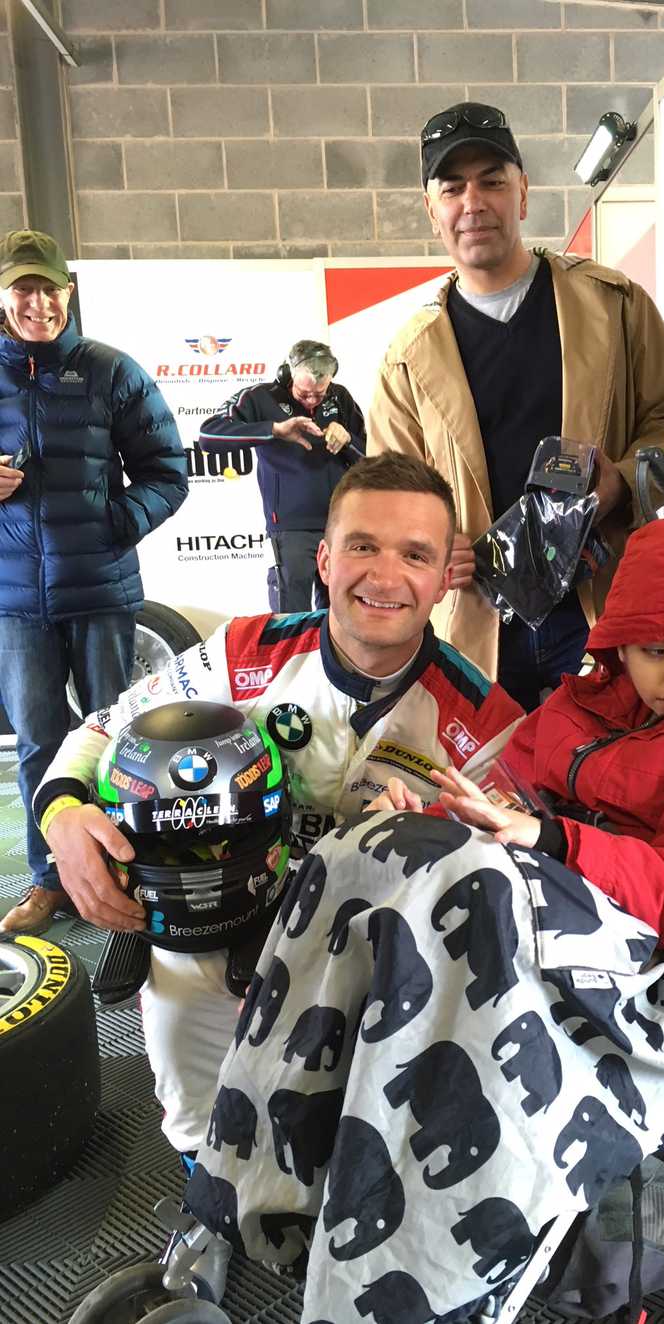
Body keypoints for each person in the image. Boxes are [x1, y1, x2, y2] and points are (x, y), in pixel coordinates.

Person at [184, 512, 664, 1324]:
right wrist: (435, 810)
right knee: (364, 845)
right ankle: (254, 1186)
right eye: (656, 650)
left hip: (651, 932)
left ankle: (402, 1285)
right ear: (618, 641)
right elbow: (495, 789)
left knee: (462, 880)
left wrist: (541, 834)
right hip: (546, 876)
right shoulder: (584, 700)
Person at [34, 453, 522, 1301]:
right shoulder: (242, 652)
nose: (383, 574)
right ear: (323, 558)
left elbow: (518, 876)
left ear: (447, 575)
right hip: (224, 929)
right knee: (180, 994)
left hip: (378, 962)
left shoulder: (484, 720)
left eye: (414, 554)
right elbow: (102, 728)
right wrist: (64, 818)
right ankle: (210, 1202)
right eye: (361, 546)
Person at [368, 100, 664, 710]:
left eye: (492, 181)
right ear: (432, 209)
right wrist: (427, 545)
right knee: (488, 794)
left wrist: (622, 482)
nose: (473, 203)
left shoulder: (614, 306)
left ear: (524, 193)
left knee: (604, 784)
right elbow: (386, 494)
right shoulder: (408, 357)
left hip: (600, 607)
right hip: (475, 629)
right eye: (452, 187)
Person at [0, 228, 187, 938]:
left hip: (102, 590)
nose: (37, 302)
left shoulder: (112, 370)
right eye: (23, 288)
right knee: (39, 741)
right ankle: (52, 879)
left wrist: (117, 521)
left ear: (67, 293)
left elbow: (168, 471)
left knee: (118, 739)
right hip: (14, 601)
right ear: (4, 296)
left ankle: (125, 866)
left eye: (48, 288)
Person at [199, 339, 365, 613]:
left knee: (341, 618)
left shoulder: (341, 397)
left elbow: (371, 459)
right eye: (304, 393)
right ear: (287, 374)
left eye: (319, 393)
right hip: (290, 531)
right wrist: (273, 430)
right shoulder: (260, 397)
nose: (312, 399)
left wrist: (348, 440)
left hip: (341, 528)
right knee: (291, 621)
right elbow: (208, 436)